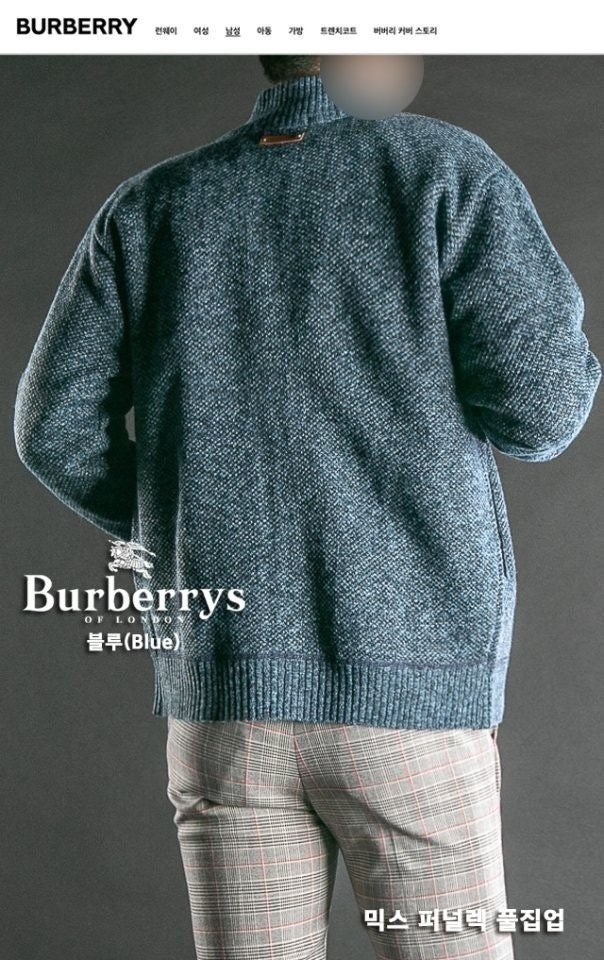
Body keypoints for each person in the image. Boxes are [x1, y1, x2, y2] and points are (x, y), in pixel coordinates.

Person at [13, 54, 601, 960]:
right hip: (408, 701)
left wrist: (188, 523)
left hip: (223, 706)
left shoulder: (152, 205)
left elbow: (51, 429)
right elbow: (542, 411)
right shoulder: (445, 171)